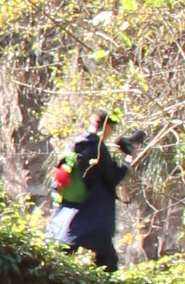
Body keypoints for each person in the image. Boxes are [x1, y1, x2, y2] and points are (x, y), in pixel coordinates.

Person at [44, 111, 137, 268]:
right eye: (112, 128)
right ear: (106, 126)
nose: (112, 132)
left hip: (69, 213)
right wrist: (128, 161)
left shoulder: (74, 144)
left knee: (66, 248)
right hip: (93, 213)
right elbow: (112, 178)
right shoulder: (97, 148)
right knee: (107, 261)